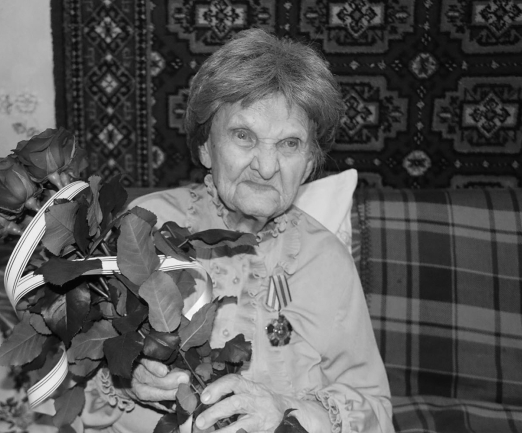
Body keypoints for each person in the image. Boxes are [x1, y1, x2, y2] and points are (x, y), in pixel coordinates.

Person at [80, 28, 393, 433]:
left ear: (310, 164)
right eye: (244, 136)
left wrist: (286, 409)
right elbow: (76, 367)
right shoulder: (144, 226)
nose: (266, 166)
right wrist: (127, 375)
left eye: (290, 144)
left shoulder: (326, 259)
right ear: (205, 147)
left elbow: (375, 409)